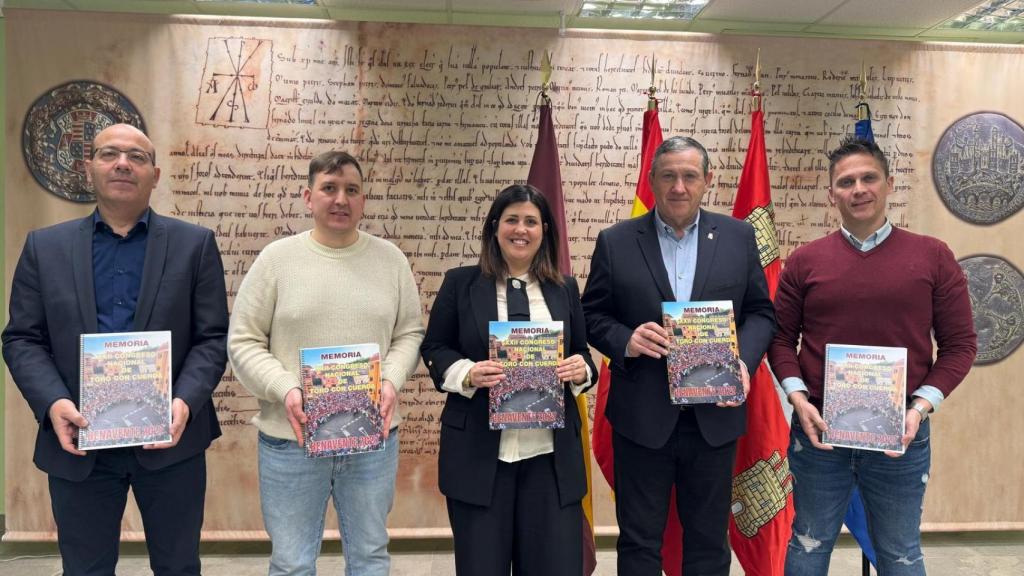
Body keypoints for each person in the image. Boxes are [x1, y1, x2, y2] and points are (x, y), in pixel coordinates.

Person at [2, 124, 229, 576]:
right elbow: (22, 338)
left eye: (137, 156)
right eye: (109, 154)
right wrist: (53, 403)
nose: (123, 163)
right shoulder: (44, 247)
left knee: (179, 566)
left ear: (155, 174)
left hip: (170, 440)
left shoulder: (194, 244)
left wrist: (184, 401)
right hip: (79, 441)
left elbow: (212, 337)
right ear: (90, 168)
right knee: (84, 570)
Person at [768, 137, 977, 575]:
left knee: (900, 553)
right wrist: (798, 399)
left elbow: (960, 346)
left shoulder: (933, 256)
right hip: (819, 430)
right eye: (846, 182)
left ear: (889, 184)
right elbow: (781, 340)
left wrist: (920, 408)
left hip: (902, 432)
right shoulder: (805, 262)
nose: (858, 189)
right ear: (831, 194)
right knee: (808, 545)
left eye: (868, 178)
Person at [581, 136, 775, 575]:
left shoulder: (739, 237)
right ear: (651, 181)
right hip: (642, 419)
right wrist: (626, 340)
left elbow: (762, 313)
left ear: (708, 180)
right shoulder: (616, 241)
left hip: (715, 418)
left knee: (708, 542)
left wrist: (742, 364)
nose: (679, 187)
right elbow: (591, 314)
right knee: (639, 541)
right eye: (668, 176)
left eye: (690, 176)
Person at [228, 150, 424, 576]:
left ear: (364, 199)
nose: (341, 199)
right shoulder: (276, 261)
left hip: (373, 438)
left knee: (371, 556)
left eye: (352, 190)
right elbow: (243, 342)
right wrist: (286, 388)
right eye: (329, 189)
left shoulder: (391, 261)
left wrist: (391, 379)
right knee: (292, 562)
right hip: (290, 440)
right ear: (308, 197)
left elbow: (410, 333)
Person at [420, 184, 597, 575]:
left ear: (545, 230)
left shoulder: (564, 287)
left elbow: (583, 352)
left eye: (531, 221)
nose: (521, 229)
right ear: (495, 227)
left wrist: (581, 370)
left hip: (550, 460)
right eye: (512, 219)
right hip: (480, 459)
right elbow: (434, 347)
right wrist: (467, 372)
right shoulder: (460, 282)